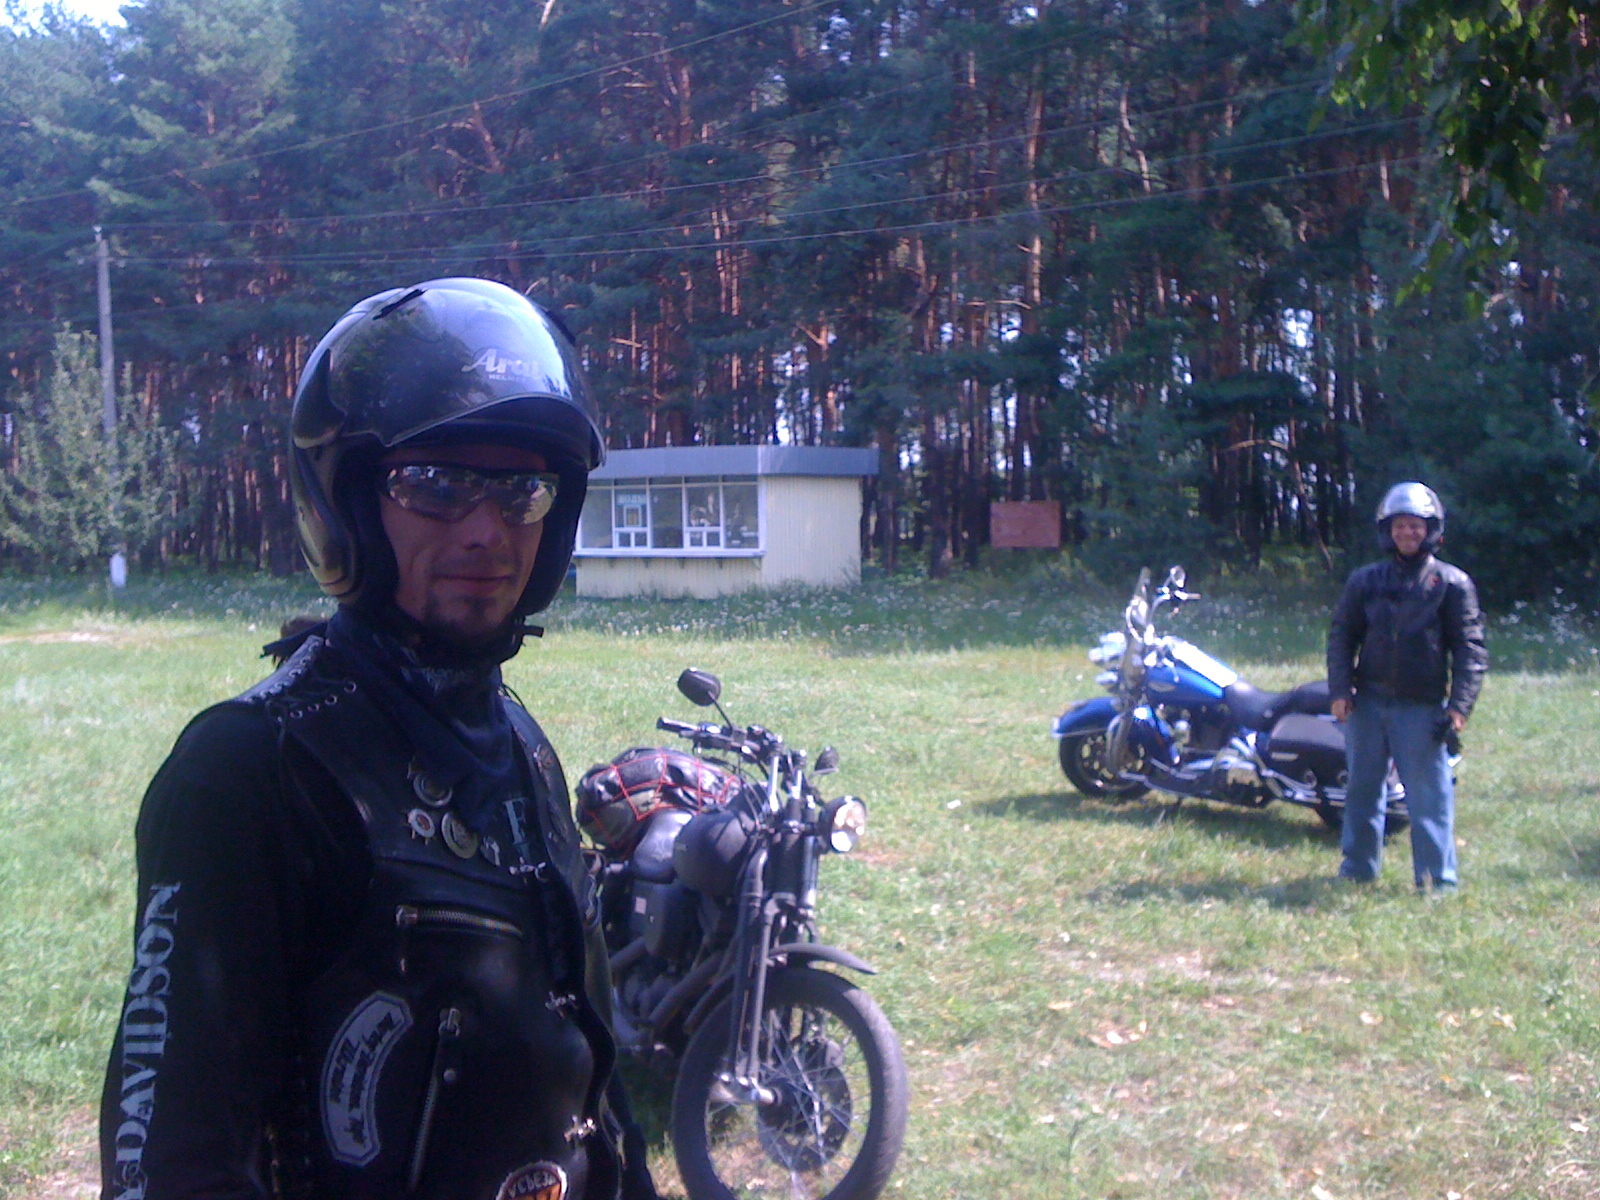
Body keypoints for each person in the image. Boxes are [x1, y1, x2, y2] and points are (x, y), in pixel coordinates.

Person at [99, 278, 656, 1200]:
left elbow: (588, 1072)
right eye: (436, 486)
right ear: (350, 500)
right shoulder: (254, 769)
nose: (486, 531)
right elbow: (169, 1161)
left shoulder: (519, 743)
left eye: (521, 489)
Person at [1327, 481, 1488, 892]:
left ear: (1432, 529)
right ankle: (1357, 870)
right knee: (1362, 792)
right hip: (1368, 704)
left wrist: (1459, 706)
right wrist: (1340, 690)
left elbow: (1470, 649)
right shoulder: (1365, 581)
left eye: (1416, 525)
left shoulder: (1452, 584)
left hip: (1421, 706)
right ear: (1387, 530)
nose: (1408, 533)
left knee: (1428, 798)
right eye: (1399, 525)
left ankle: (1437, 883)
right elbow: (1342, 635)